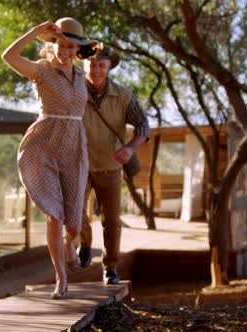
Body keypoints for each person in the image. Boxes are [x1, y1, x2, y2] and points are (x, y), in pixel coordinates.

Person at [2, 17, 98, 299]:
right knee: (54, 217)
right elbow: (8, 56)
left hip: (74, 148)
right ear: (53, 43)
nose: (66, 51)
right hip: (43, 146)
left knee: (74, 224)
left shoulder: (81, 75)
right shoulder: (41, 70)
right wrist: (34, 31)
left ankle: (69, 244)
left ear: (77, 49)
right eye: (62, 44)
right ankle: (61, 279)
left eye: (71, 47)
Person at [79, 46, 150, 284]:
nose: (96, 69)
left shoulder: (123, 95)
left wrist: (130, 148)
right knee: (76, 212)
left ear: (109, 67)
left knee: (111, 220)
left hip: (110, 167)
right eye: (92, 64)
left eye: (101, 65)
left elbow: (142, 125)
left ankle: (110, 267)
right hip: (80, 164)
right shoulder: (74, 92)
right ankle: (85, 243)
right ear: (83, 65)